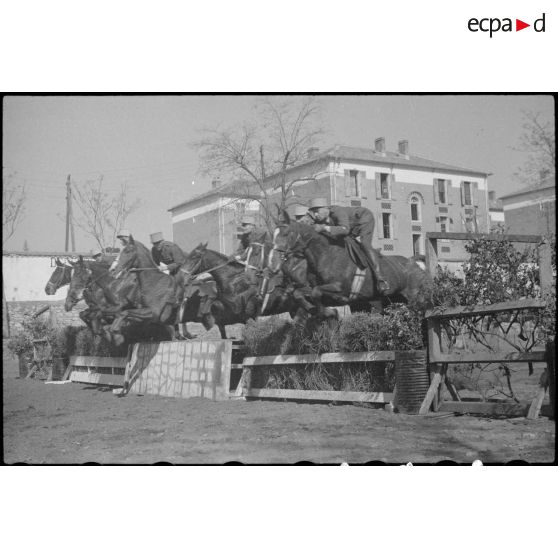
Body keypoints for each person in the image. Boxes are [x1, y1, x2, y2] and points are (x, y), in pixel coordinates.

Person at [308, 197, 390, 293]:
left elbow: (345, 229)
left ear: (325, 209)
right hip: (351, 226)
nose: (315, 215)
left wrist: (324, 228)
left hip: (364, 219)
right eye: (313, 213)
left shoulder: (338, 212)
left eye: (317, 211)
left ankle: (380, 278)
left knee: (364, 243)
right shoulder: (321, 218)